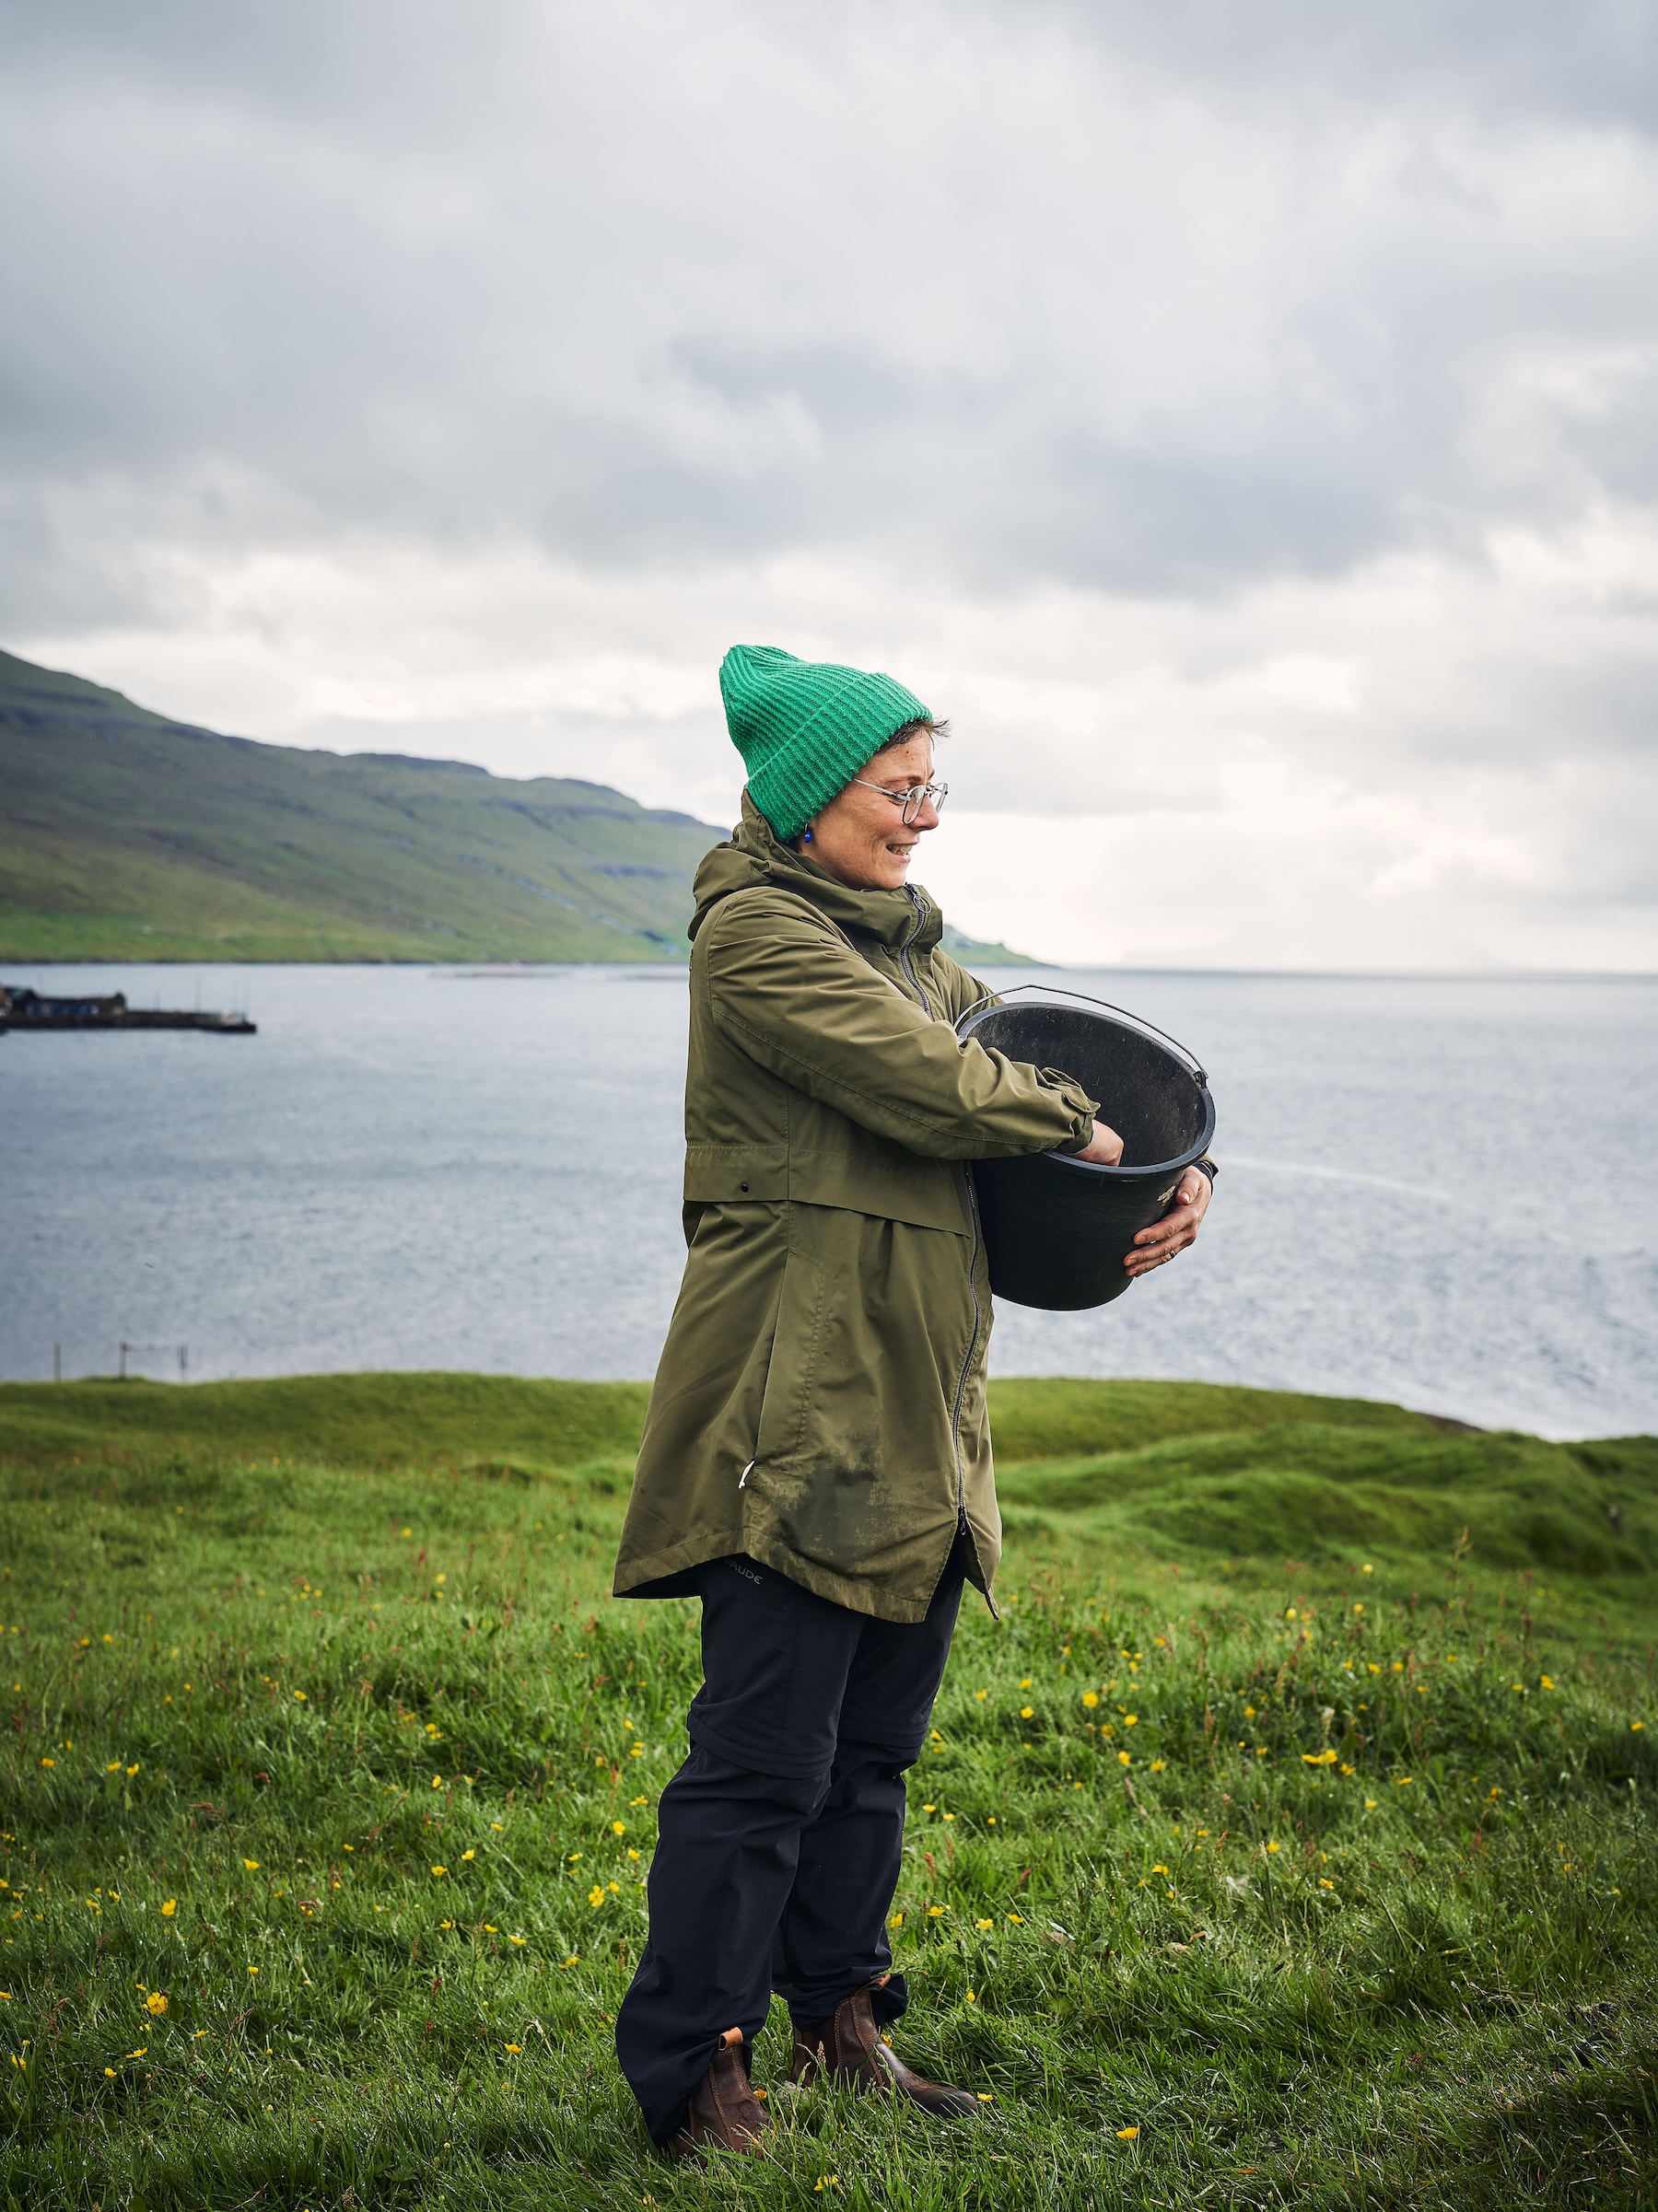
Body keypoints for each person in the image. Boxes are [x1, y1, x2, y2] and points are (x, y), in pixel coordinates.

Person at [612, 645, 1213, 2159]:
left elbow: (1041, 1079)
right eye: (899, 789)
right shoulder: (758, 935)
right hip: (794, 1418)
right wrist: (1078, 1127)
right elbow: (937, 1085)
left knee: (870, 1757)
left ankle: (839, 2021)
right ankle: (695, 2074)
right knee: (762, 1765)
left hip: (919, 1426)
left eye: (935, 787)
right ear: (812, 794)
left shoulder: (919, 958)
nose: (925, 816)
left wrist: (1174, 1172)